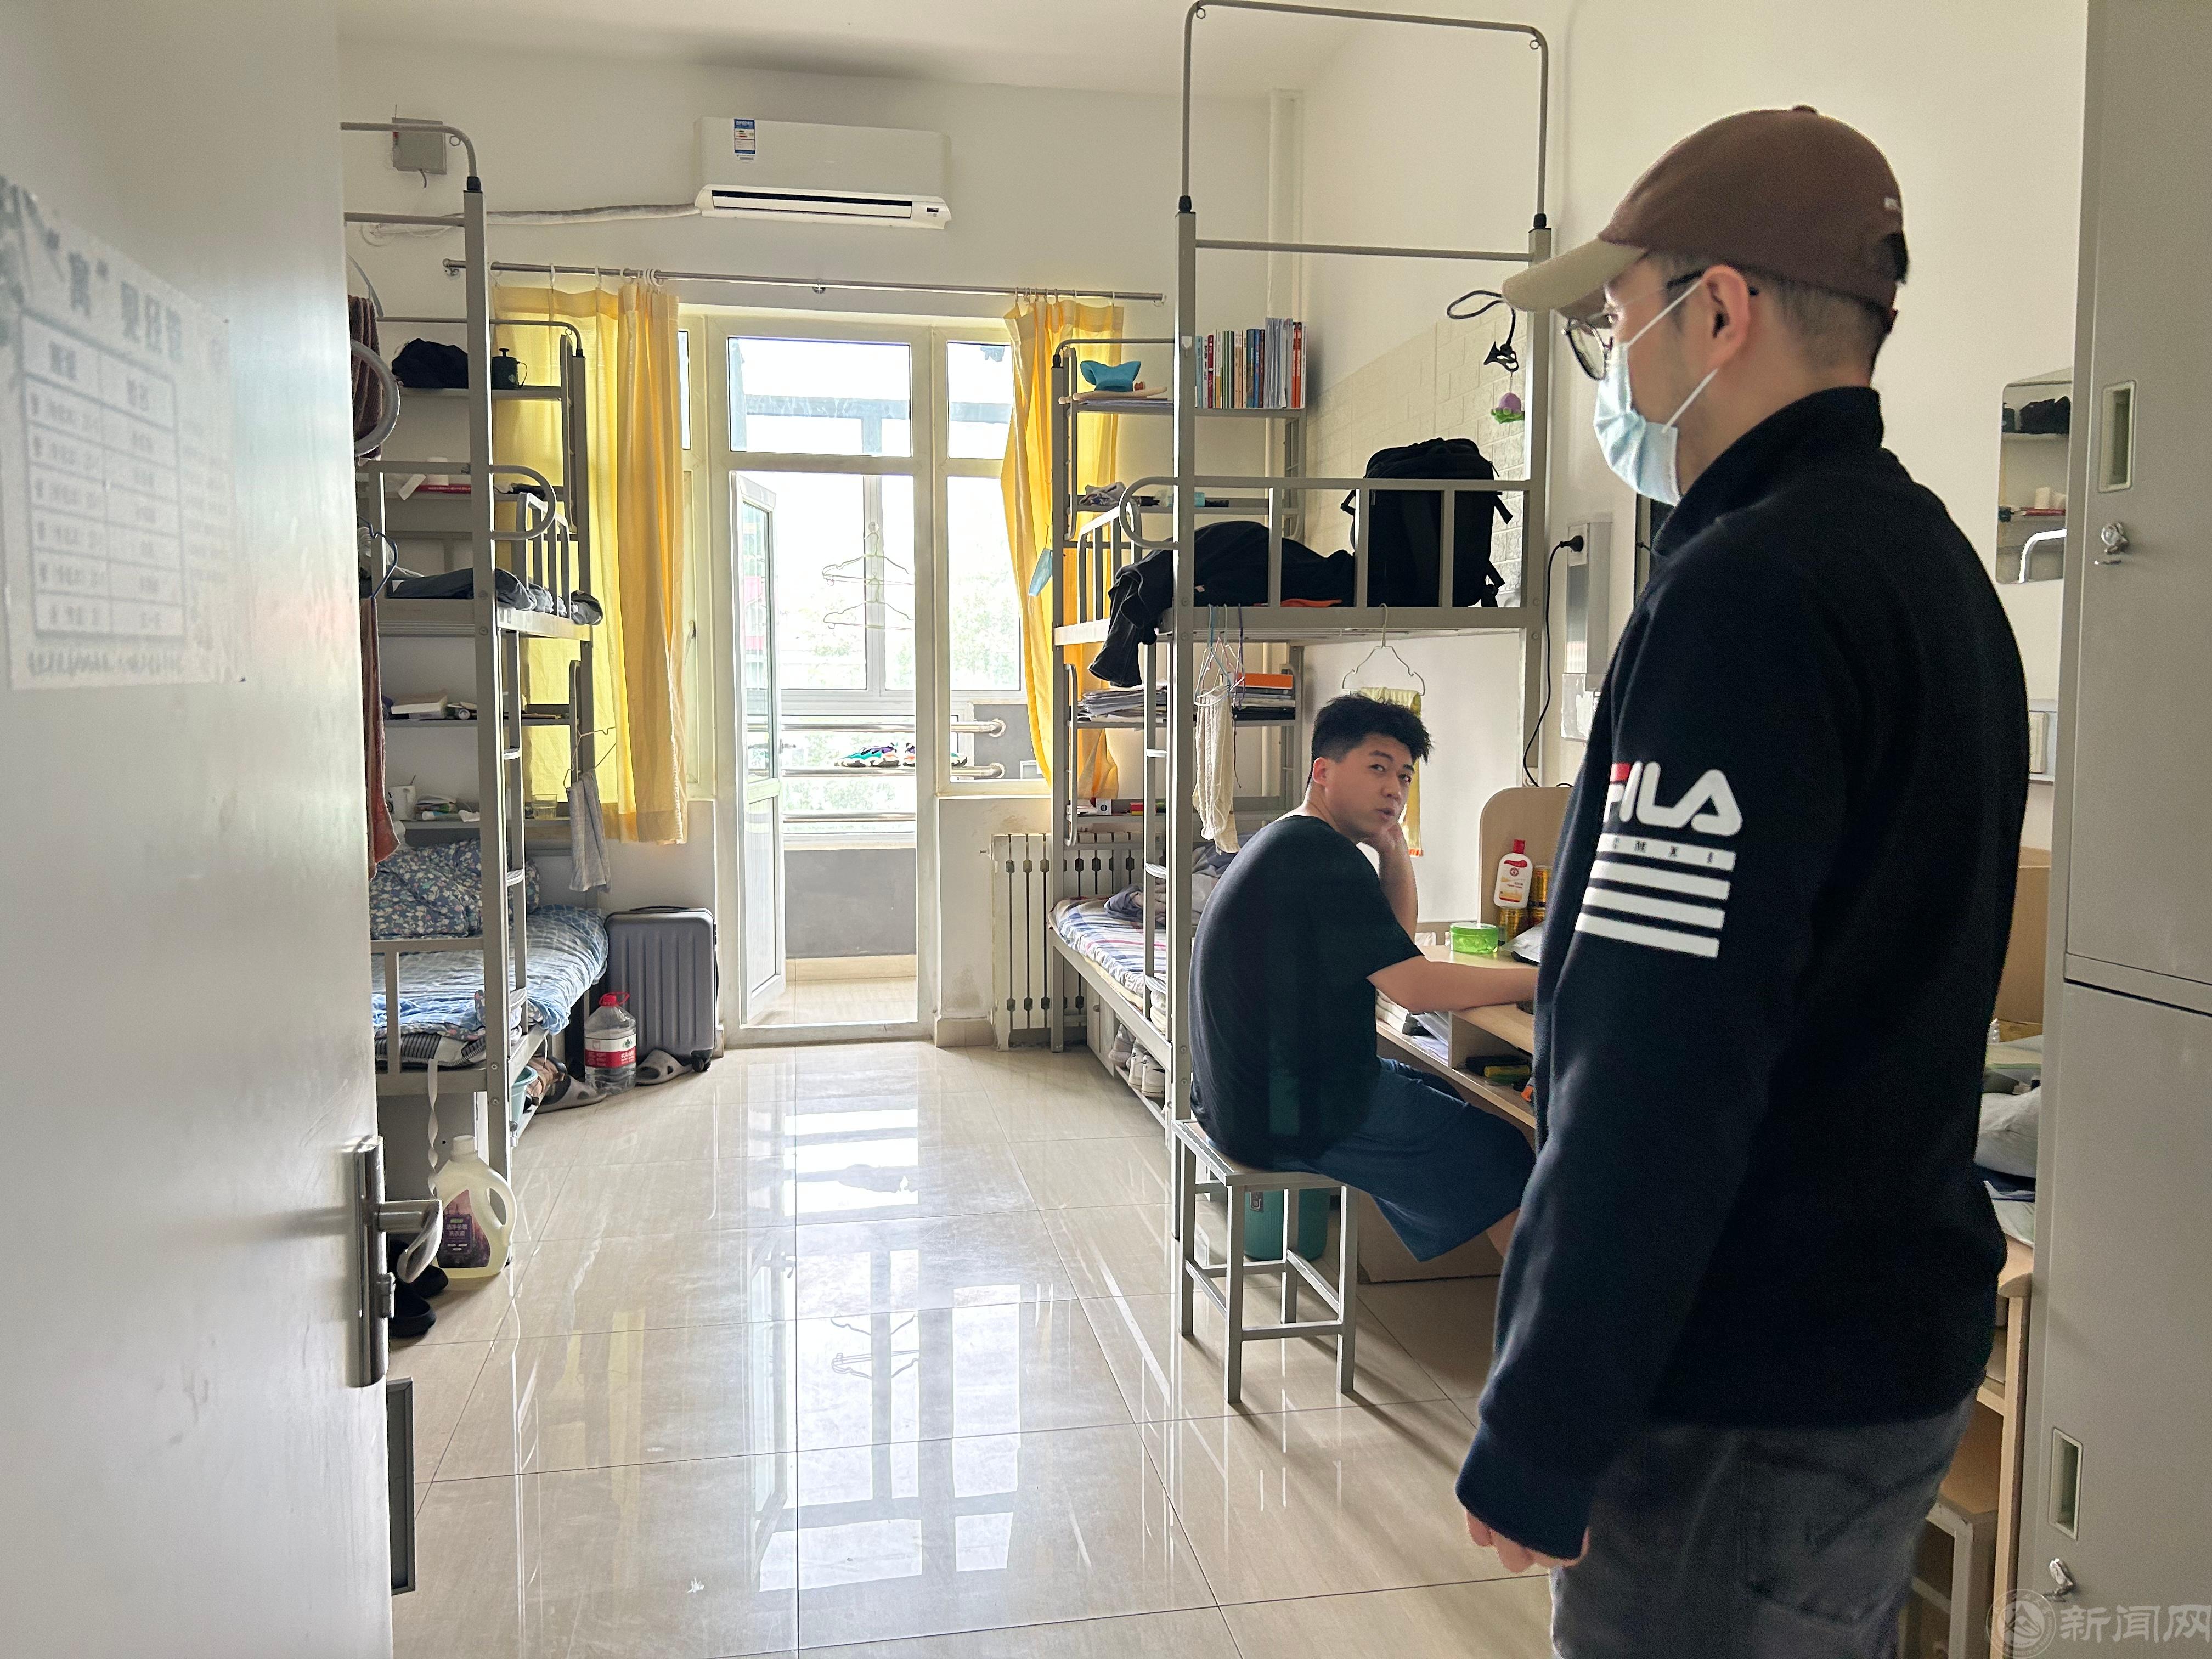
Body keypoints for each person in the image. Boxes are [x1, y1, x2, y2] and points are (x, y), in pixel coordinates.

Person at [1455, 107, 2028, 1656]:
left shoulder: (1746, 594)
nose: (1614, 365)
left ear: (1720, 311)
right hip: (1878, 1345)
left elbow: (1663, 1055)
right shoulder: (1934, 571)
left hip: (1745, 1388)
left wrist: (1548, 1410)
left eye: (1617, 316)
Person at [1189, 693, 1536, 1263]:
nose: (1394, 789)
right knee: (1504, 1150)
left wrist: (1394, 850)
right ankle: (1543, 1313)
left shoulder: (1295, 838)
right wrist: (1547, 980)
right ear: (1323, 772)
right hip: (1287, 1112)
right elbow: (1415, 990)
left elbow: (1395, 950)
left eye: (1404, 776)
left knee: (1445, 1094)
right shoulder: (1321, 857)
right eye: (1377, 767)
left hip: (1241, 1101)